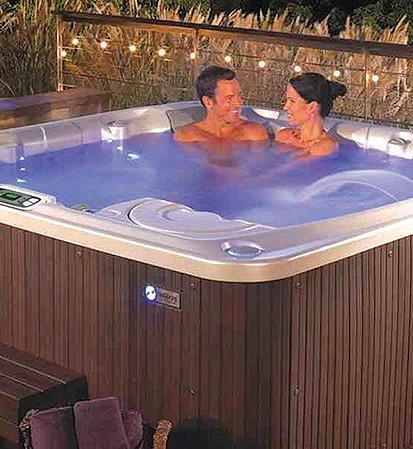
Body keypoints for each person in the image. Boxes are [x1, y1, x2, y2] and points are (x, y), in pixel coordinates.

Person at [174, 66, 268, 143]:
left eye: (239, 95)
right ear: (208, 102)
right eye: (229, 98)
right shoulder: (187, 137)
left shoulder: (253, 134)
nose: (238, 103)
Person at [276, 72, 347, 156]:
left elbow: (290, 165)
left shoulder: (326, 146)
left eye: (292, 101)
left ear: (312, 107)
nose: (285, 107)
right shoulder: (284, 136)